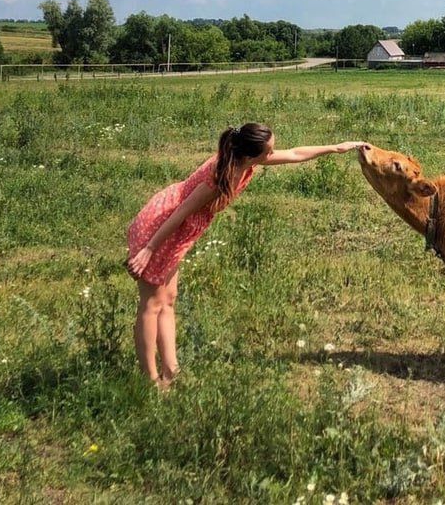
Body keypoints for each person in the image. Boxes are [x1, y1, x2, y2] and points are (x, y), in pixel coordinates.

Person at [126, 123, 363, 386]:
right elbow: (180, 212)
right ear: (252, 156)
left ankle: (171, 371)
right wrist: (149, 249)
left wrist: (335, 148)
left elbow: (295, 154)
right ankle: (150, 381)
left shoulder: (242, 161)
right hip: (162, 229)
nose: (272, 154)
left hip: (176, 234)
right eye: (269, 151)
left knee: (168, 299)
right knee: (152, 305)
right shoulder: (220, 178)